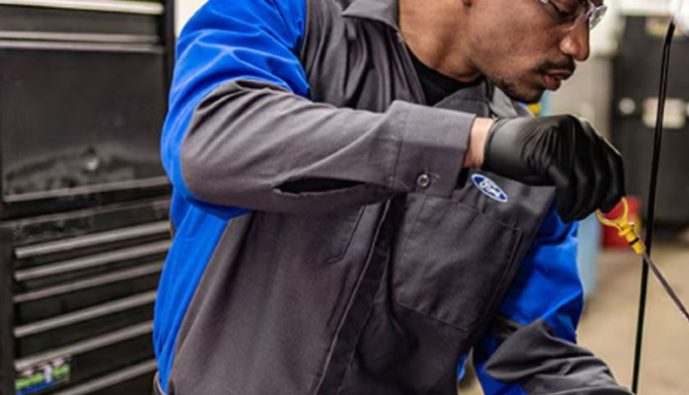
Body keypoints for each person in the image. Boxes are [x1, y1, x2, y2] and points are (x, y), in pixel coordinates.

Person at [154, 0, 630, 393]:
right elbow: (209, 144)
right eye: (564, 9)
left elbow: (532, 358)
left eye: (594, 15)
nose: (579, 45)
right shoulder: (289, 14)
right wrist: (469, 143)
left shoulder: (530, 170)